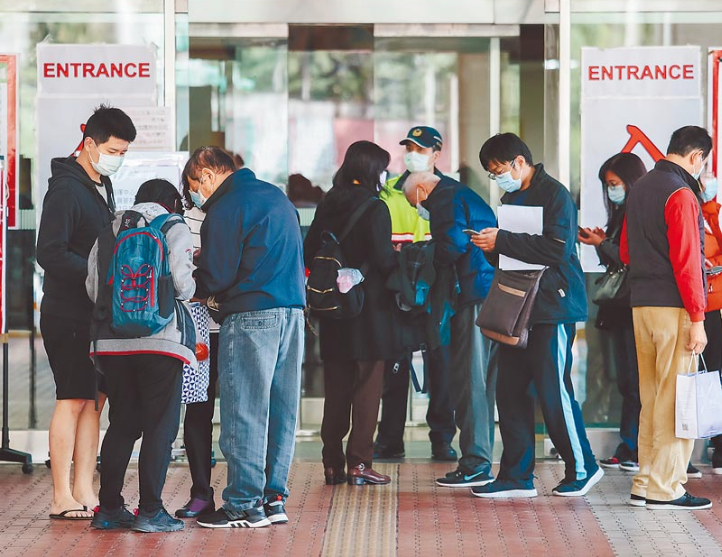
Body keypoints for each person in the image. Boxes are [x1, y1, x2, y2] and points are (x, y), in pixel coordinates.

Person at [472, 132, 601, 498]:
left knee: (553, 389)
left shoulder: (554, 194)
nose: (497, 178)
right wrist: (490, 248)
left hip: (552, 305)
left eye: (498, 170)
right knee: (510, 389)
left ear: (519, 161)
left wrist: (503, 241)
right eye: (492, 174)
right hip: (517, 305)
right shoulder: (511, 197)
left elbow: (557, 249)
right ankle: (516, 474)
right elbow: (510, 255)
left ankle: (583, 465)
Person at [187, 147, 305, 528]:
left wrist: (198, 280)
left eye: (194, 185)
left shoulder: (224, 208)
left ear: (205, 175)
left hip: (251, 316)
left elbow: (217, 275)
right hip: (292, 314)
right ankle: (273, 498)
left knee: (244, 410)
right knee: (281, 410)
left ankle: (242, 503)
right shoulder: (276, 196)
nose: (196, 194)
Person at [36, 105, 136, 520]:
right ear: (90, 144)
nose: (119, 158)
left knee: (94, 401)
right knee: (72, 399)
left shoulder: (100, 186)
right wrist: (99, 274)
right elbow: (49, 251)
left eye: (125, 152)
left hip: (95, 313)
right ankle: (61, 494)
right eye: (114, 150)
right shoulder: (66, 190)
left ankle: (84, 489)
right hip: (68, 314)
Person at [87, 179, 194, 532]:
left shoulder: (111, 228)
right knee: (160, 427)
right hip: (160, 342)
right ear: (172, 203)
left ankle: (109, 508)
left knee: (122, 424)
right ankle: (150, 510)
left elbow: (92, 287)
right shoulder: (173, 226)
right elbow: (183, 284)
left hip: (113, 343)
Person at [620, 125, 712, 510]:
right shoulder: (681, 192)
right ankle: (666, 487)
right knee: (677, 400)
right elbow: (687, 262)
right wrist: (698, 318)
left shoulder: (640, 186)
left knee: (653, 397)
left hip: (642, 305)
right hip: (675, 306)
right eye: (703, 163)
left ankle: (645, 482)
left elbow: (625, 250)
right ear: (695, 157)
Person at [304, 141, 400, 487]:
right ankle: (359, 463)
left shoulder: (329, 203)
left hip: (332, 311)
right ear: (372, 170)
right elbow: (383, 259)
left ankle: (331, 463)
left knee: (337, 389)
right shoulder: (375, 207)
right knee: (367, 389)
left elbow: (309, 250)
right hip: (368, 312)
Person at [402, 169, 499, 489]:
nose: (419, 210)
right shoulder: (463, 194)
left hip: (470, 294)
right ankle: (479, 457)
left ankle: (475, 462)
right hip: (485, 290)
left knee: (469, 378)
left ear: (421, 191)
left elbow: (454, 244)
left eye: (413, 201)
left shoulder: (444, 197)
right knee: (482, 379)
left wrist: (429, 254)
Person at [375, 126, 457, 462]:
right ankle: (390, 439)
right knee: (395, 366)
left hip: (437, 291)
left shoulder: (449, 193)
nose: (413, 154)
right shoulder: (390, 193)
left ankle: (442, 438)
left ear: (437, 154)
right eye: (409, 147)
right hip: (398, 289)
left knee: (441, 366)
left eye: (421, 149)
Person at [578, 152, 647, 472]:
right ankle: (629, 443)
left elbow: (629, 259)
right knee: (623, 379)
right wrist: (603, 242)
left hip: (635, 306)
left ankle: (634, 444)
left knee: (634, 380)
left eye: (615, 184)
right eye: (607, 185)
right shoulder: (622, 214)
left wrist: (601, 244)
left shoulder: (640, 212)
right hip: (620, 308)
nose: (611, 191)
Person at [699, 170, 722, 475]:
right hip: (702, 308)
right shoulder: (685, 205)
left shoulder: (714, 214)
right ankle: (712, 442)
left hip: (715, 305)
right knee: (709, 376)